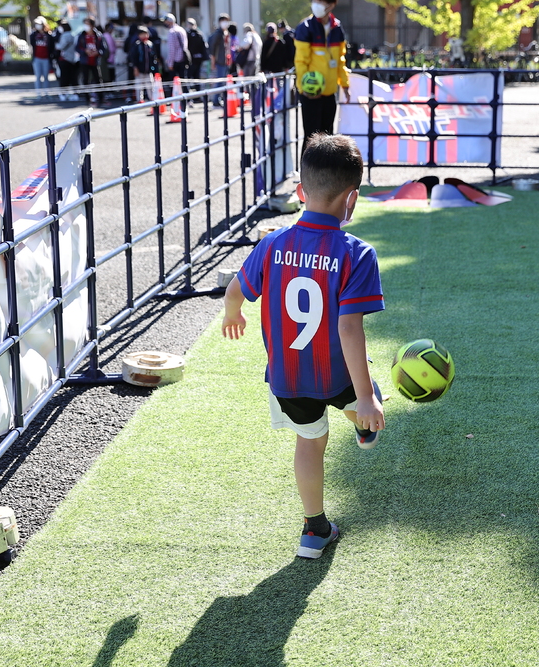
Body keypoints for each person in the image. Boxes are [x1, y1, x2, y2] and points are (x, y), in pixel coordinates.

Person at [221, 133, 385, 560]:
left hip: (288, 379)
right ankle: (363, 419)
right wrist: (366, 396)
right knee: (364, 394)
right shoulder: (357, 253)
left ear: (300, 191)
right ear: (352, 198)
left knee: (310, 443)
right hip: (338, 373)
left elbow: (235, 290)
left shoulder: (272, 243)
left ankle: (314, 530)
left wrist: (233, 314)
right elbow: (349, 329)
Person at [294, 0, 351, 152]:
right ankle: (306, 168)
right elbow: (300, 62)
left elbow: (340, 60)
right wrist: (304, 89)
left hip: (329, 92)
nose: (316, 4)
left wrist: (345, 84)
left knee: (328, 139)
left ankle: (326, 168)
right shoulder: (305, 27)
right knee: (311, 139)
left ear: (331, 5)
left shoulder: (337, 28)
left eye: (321, 1)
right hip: (310, 94)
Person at [76, 18, 104, 104]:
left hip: (95, 61)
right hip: (85, 61)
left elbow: (103, 49)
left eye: (87, 24)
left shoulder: (98, 35)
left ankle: (101, 98)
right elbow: (77, 48)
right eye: (85, 24)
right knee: (85, 80)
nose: (86, 26)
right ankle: (87, 98)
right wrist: (85, 51)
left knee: (98, 79)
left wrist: (98, 52)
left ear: (92, 25)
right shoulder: (81, 35)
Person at [129, 25, 158, 103]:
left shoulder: (150, 44)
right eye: (142, 34)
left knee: (150, 86)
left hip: (149, 70)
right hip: (140, 70)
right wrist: (135, 68)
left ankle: (152, 100)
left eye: (146, 34)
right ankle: (140, 100)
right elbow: (133, 57)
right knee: (139, 87)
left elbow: (154, 57)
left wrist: (154, 68)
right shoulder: (137, 45)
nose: (144, 36)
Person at [209, 13, 231, 105]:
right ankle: (215, 100)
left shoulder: (226, 33)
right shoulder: (217, 34)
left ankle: (220, 98)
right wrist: (213, 62)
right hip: (219, 61)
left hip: (225, 61)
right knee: (219, 81)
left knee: (223, 82)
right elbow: (212, 49)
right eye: (223, 21)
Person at [30, 17, 55, 96]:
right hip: (37, 58)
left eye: (39, 24)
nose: (38, 25)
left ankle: (46, 93)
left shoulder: (49, 35)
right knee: (38, 76)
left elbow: (51, 46)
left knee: (46, 76)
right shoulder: (34, 35)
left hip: (46, 58)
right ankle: (38, 93)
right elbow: (32, 43)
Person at [56, 20, 80, 101]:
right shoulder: (73, 35)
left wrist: (56, 46)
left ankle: (63, 94)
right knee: (73, 78)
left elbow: (61, 46)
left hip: (65, 59)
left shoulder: (65, 35)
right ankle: (75, 94)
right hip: (73, 59)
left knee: (64, 78)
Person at [163, 13, 190, 80]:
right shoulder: (181, 29)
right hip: (183, 58)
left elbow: (172, 49)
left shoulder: (172, 32)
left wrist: (170, 63)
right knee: (183, 81)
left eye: (166, 21)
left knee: (174, 82)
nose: (165, 23)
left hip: (176, 61)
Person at [186, 18, 209, 93]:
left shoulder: (190, 34)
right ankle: (197, 93)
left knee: (190, 77)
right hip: (198, 58)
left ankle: (191, 93)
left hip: (192, 59)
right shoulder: (199, 34)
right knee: (197, 77)